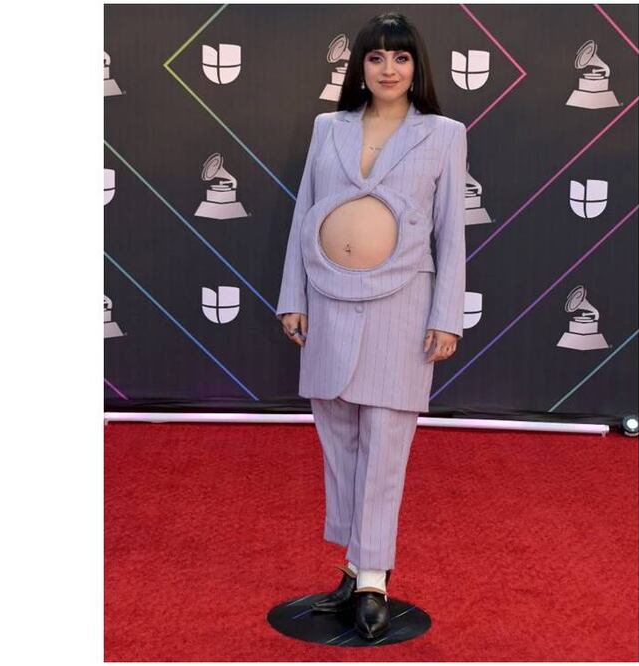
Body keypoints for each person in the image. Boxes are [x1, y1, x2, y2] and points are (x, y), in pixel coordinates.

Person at [275, 11, 467, 641]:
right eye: (377, 57)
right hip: (328, 299)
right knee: (338, 435)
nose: (389, 69)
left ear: (417, 67)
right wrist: (293, 296)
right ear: (360, 66)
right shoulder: (327, 127)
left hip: (402, 306)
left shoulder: (444, 134)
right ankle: (354, 564)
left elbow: (450, 232)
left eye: (401, 57)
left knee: (385, 443)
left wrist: (446, 316)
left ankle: (374, 578)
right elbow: (305, 213)